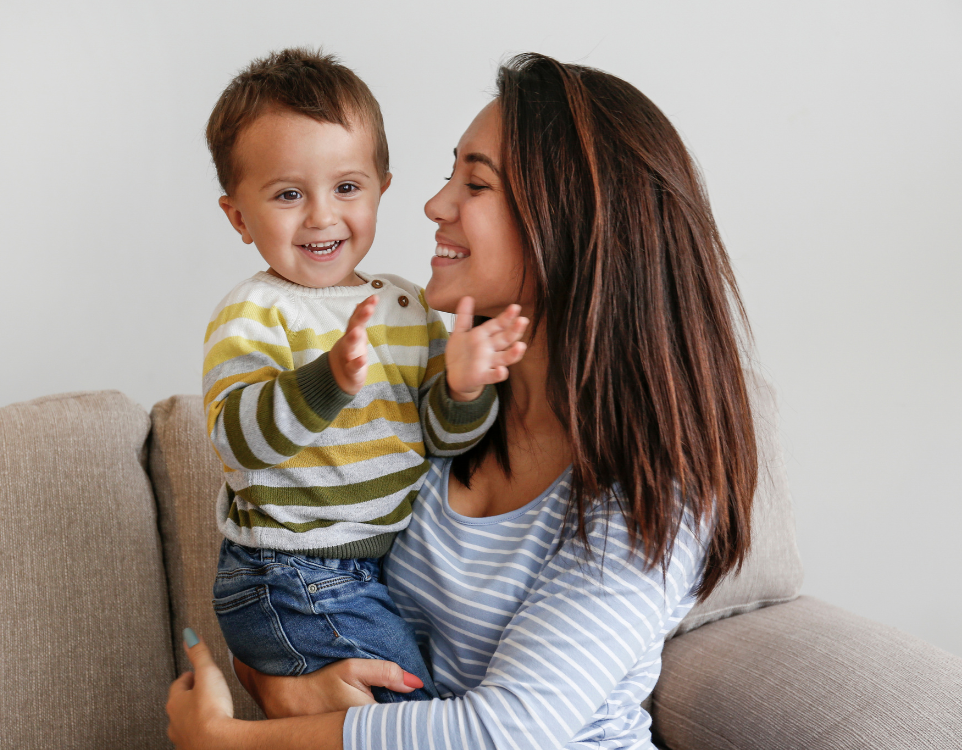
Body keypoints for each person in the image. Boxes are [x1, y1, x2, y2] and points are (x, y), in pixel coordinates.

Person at [169, 52, 757, 749]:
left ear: (564, 223)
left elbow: (507, 732)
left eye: (473, 183)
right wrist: (282, 685)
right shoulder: (434, 406)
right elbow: (295, 602)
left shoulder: (654, 490)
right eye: (451, 173)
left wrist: (223, 741)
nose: (432, 204)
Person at [201, 48, 529, 703]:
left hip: (375, 569)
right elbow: (236, 442)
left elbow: (442, 439)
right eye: (289, 194)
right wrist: (326, 382)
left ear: (381, 186)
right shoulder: (255, 311)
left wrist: (462, 389)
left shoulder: (408, 306)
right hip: (290, 571)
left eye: (346, 187)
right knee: (408, 707)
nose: (322, 216)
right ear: (239, 216)